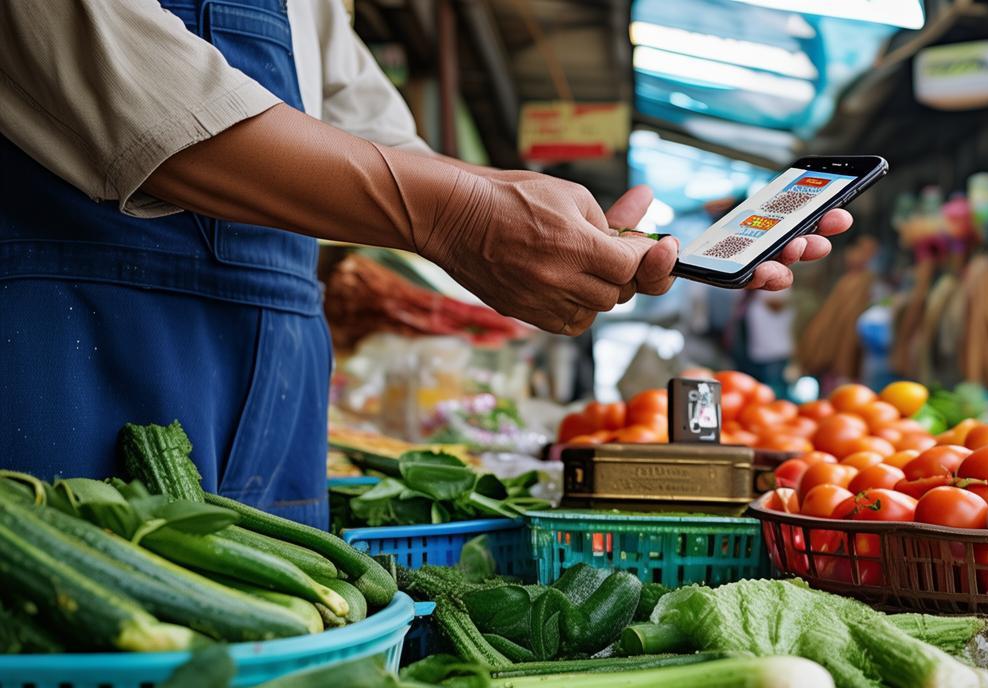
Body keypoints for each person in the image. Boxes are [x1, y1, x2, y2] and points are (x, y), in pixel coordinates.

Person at [0, 0, 852, 528]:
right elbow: (142, 110)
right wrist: (458, 215)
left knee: (275, 677)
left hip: (283, 368)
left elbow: (374, 134)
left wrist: (584, 236)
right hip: (79, 338)